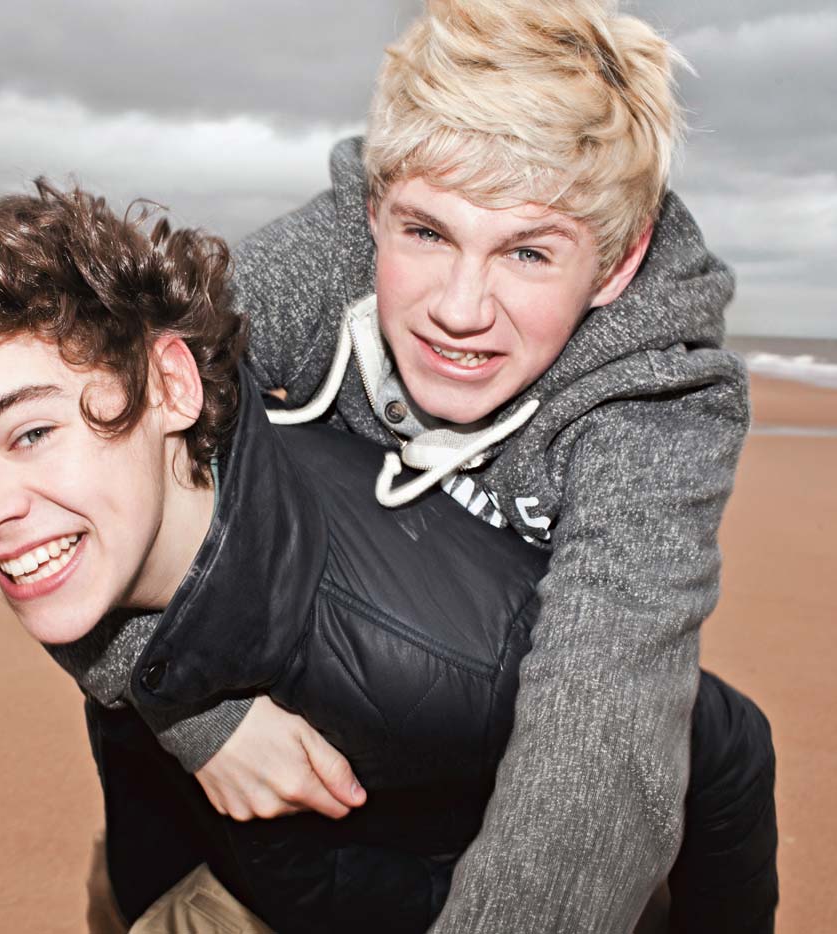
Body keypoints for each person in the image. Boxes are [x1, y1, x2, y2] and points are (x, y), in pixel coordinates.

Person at [0, 181, 775, 933]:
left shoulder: (433, 657)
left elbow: (721, 746)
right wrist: (193, 721)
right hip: (184, 869)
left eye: (30, 433)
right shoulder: (121, 502)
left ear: (173, 387)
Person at [150, 0, 780, 930]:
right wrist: (198, 722)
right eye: (427, 234)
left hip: (466, 813)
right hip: (265, 776)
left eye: (527, 251)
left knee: (722, 740)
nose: (460, 308)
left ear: (617, 263)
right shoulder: (316, 265)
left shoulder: (656, 403)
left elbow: (601, 718)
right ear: (376, 210)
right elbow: (84, 443)